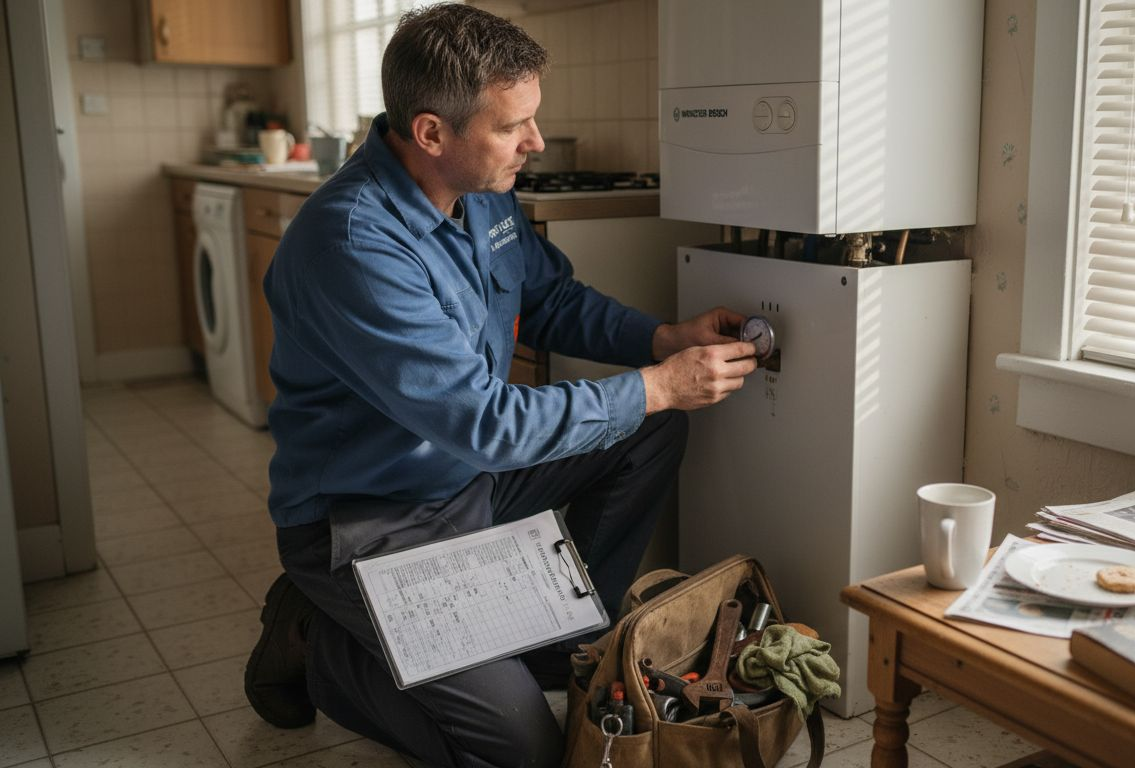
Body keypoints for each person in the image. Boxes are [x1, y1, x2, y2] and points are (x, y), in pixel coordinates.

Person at [242, 4, 757, 766]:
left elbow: (548, 299)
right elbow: (484, 422)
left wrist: (662, 341)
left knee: (651, 428)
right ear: (430, 133)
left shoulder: (482, 189)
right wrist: (657, 383)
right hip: (368, 524)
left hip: (466, 481)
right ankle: (319, 641)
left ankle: (556, 644)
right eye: (513, 126)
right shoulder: (351, 244)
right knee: (522, 752)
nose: (536, 142)